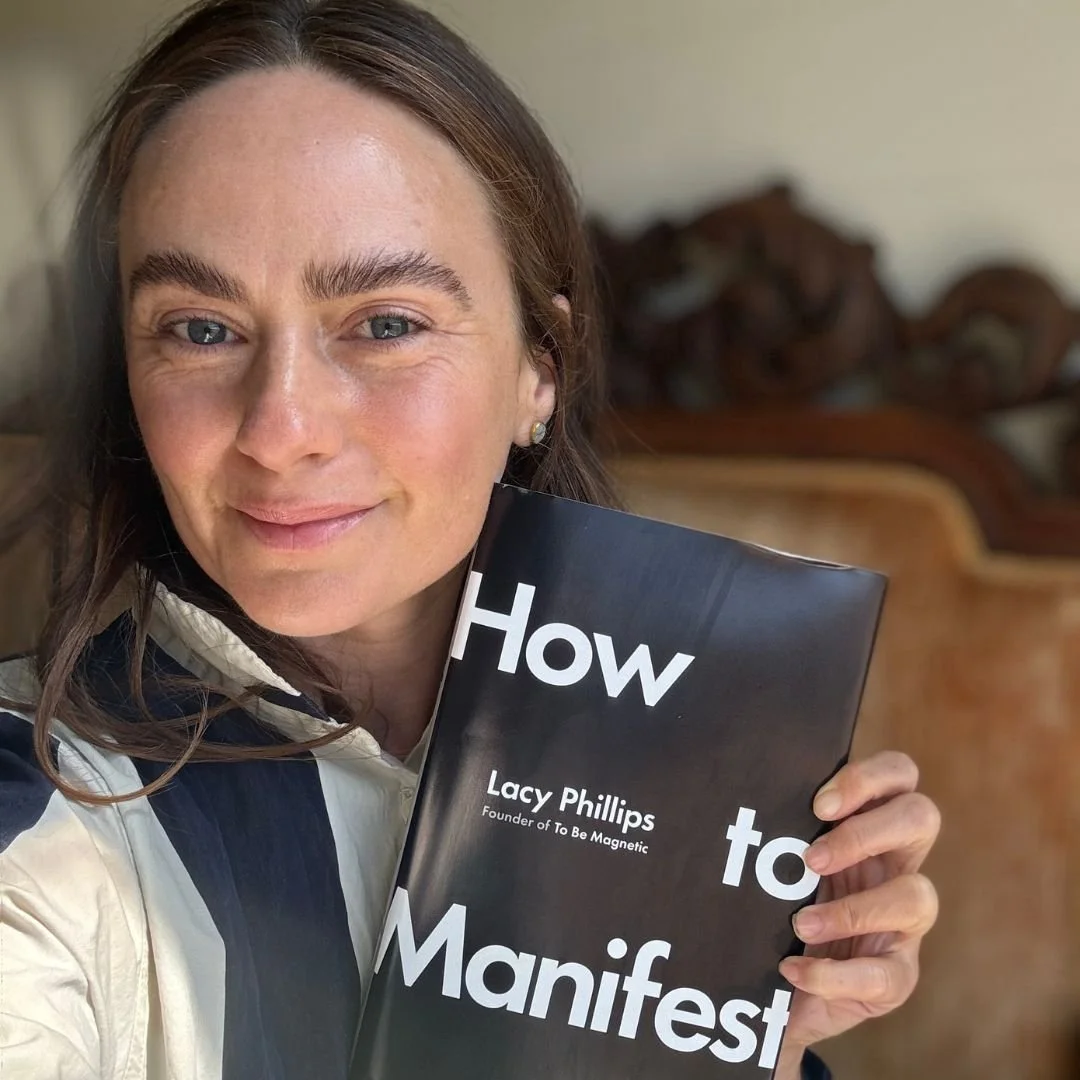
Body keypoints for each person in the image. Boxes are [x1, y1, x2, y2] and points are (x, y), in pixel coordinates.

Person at [0, 1, 941, 1077]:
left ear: (540, 367)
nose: (280, 429)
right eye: (201, 329)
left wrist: (725, 1043)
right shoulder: (34, 820)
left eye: (387, 324)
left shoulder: (693, 800)